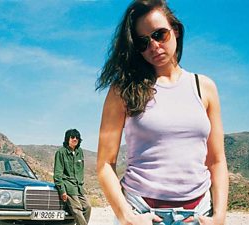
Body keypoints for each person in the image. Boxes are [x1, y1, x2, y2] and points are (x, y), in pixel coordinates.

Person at [96, 1, 228, 225]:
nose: (154, 46)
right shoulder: (122, 90)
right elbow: (104, 164)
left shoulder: (204, 87)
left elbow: (216, 160)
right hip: (143, 211)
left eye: (160, 34)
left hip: (198, 214)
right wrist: (126, 217)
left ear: (175, 30)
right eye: (143, 42)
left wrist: (220, 217)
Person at [54, 129, 91, 225]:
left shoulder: (80, 152)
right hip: (69, 186)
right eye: (72, 137)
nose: (75, 139)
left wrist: (82, 185)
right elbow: (57, 174)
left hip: (79, 187)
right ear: (67, 138)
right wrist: (62, 191)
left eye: (77, 138)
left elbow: (81, 170)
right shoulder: (61, 152)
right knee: (77, 209)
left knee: (88, 207)